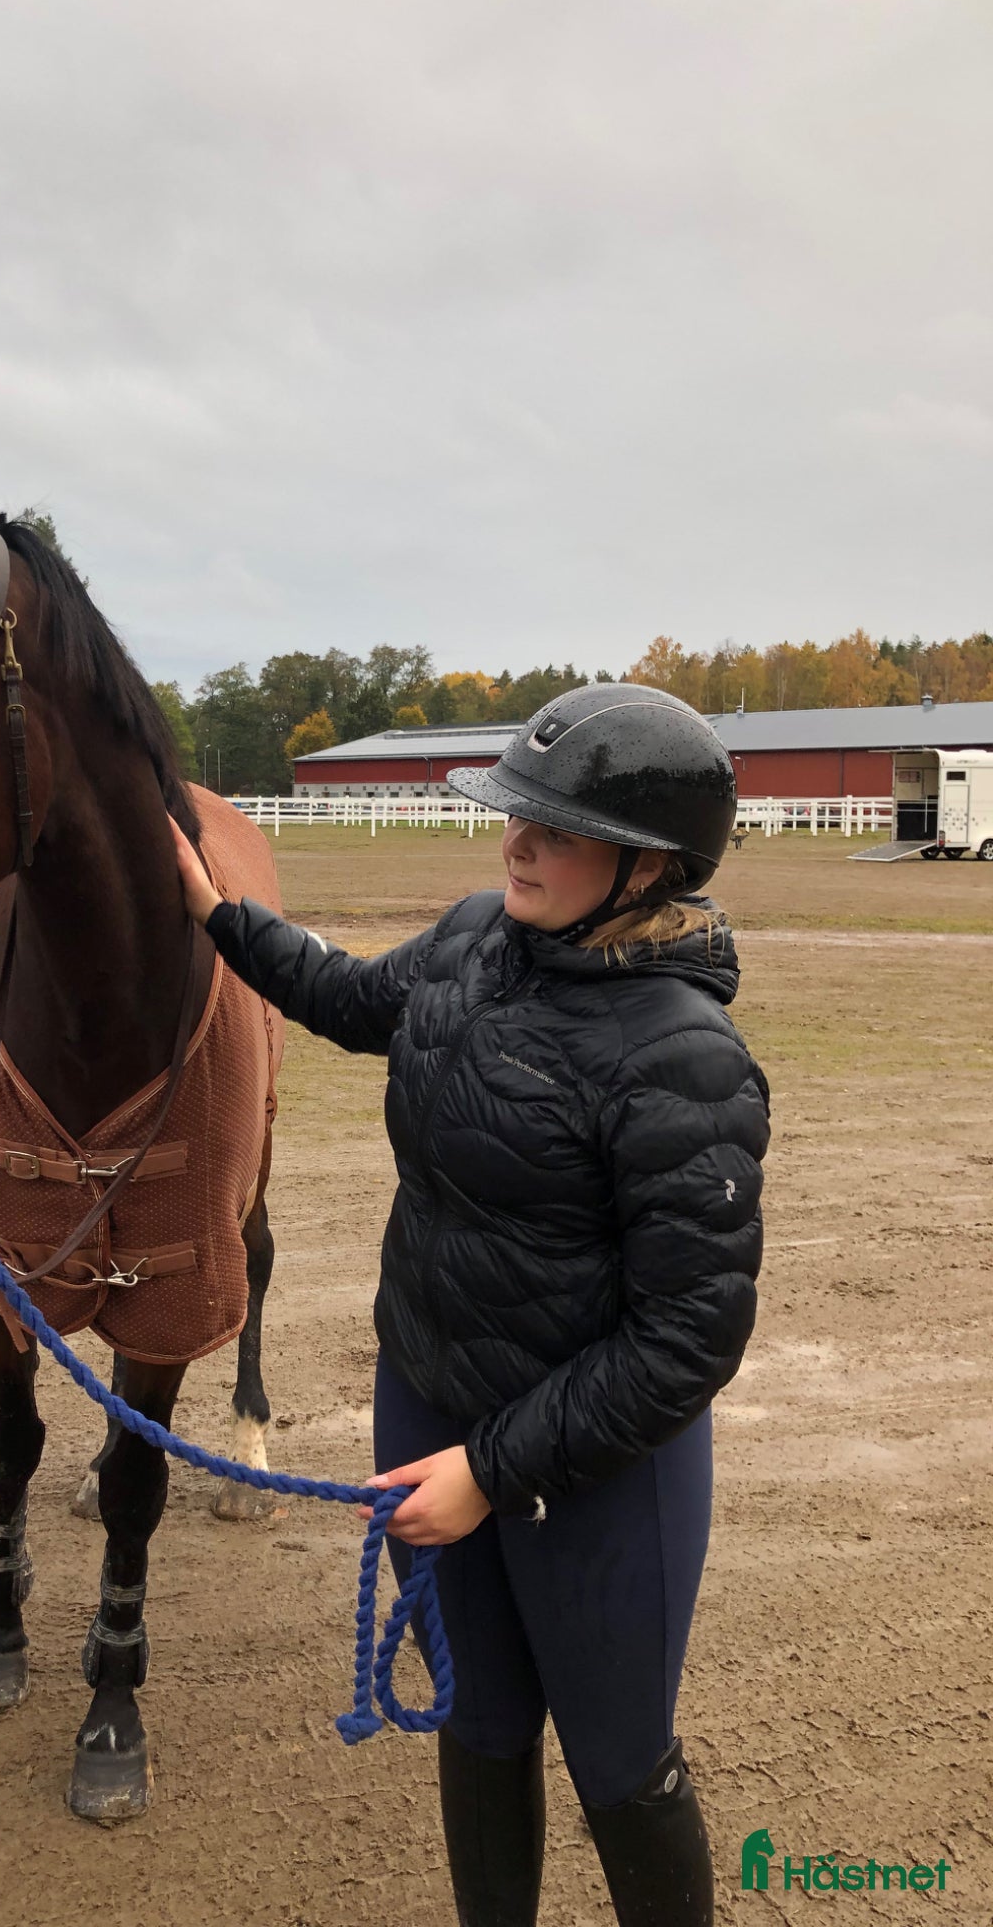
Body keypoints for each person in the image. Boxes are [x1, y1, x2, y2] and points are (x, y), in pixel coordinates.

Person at [171, 684, 769, 1927]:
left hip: (596, 1468)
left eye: (553, 826)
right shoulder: (469, 941)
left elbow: (688, 1339)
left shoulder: (685, 1055)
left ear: (649, 864)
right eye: (515, 817)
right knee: (480, 1724)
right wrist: (220, 914)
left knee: (618, 1762)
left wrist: (491, 1472)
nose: (518, 843)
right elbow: (343, 998)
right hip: (428, 1399)